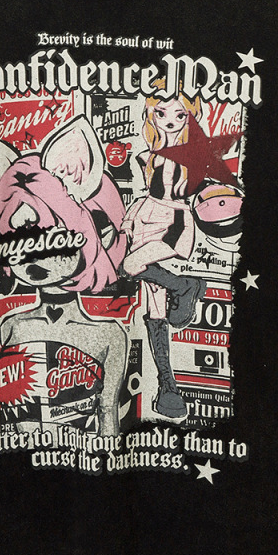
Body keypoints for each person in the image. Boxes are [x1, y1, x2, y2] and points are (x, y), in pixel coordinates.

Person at [120, 80, 207, 419]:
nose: (170, 120)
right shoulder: (147, 156)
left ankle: (186, 285)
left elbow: (189, 195)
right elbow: (147, 195)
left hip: (174, 221)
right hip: (146, 218)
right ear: (151, 115)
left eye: (179, 114)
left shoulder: (194, 156)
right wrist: (130, 220)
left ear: (190, 117)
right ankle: (168, 388)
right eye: (161, 113)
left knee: (130, 266)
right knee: (155, 310)